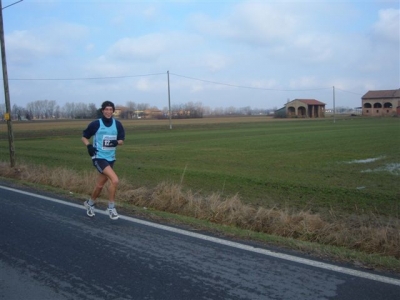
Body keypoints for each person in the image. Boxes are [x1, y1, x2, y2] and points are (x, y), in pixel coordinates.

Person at [81, 101, 125, 220]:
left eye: (111, 109)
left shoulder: (117, 124)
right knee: (115, 180)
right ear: (102, 111)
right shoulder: (96, 124)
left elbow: (122, 140)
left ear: (113, 111)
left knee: (100, 185)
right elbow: (84, 136)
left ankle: (89, 204)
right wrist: (89, 146)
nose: (108, 112)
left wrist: (116, 142)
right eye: (106, 109)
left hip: (111, 158)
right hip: (99, 157)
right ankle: (111, 207)